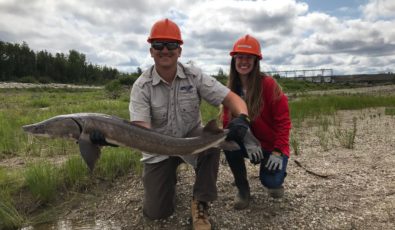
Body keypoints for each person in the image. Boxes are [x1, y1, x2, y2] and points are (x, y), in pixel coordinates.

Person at [128, 18, 250, 230]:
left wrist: (242, 118)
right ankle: (166, 181)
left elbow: (232, 99)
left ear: (180, 50)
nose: (165, 50)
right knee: (157, 213)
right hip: (157, 149)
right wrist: (107, 138)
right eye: (158, 45)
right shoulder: (141, 86)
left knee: (211, 142)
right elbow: (140, 133)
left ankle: (200, 202)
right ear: (151, 50)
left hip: (193, 141)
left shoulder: (195, 75)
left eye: (171, 45)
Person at [222, 34, 291, 210]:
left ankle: (276, 176)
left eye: (249, 57)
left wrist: (278, 150)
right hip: (248, 143)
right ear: (234, 60)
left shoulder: (268, 85)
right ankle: (242, 189)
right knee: (229, 143)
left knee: (271, 183)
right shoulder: (230, 89)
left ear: (255, 61)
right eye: (240, 57)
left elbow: (283, 122)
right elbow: (226, 121)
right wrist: (234, 141)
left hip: (270, 145)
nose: (244, 61)